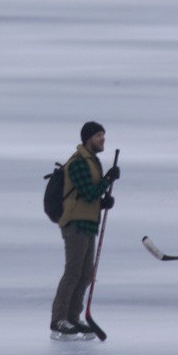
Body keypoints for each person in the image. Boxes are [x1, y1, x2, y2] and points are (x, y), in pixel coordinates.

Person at [50, 120, 119, 339]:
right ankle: (59, 319)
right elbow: (88, 193)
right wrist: (107, 180)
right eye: (99, 135)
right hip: (75, 224)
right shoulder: (79, 162)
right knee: (73, 272)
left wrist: (103, 203)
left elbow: (88, 198)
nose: (103, 139)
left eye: (103, 135)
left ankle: (73, 317)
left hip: (88, 222)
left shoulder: (92, 161)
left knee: (86, 274)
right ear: (88, 138)